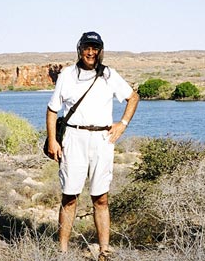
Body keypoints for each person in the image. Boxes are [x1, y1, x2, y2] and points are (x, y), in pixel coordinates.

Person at [46, 31, 139, 260]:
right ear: (80, 49)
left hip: (102, 140)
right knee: (70, 196)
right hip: (73, 139)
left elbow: (133, 97)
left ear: (100, 51)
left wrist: (122, 124)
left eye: (95, 48)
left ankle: (104, 250)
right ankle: (63, 252)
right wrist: (52, 140)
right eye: (87, 47)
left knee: (101, 197)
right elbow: (52, 110)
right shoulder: (67, 74)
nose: (91, 52)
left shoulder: (108, 74)